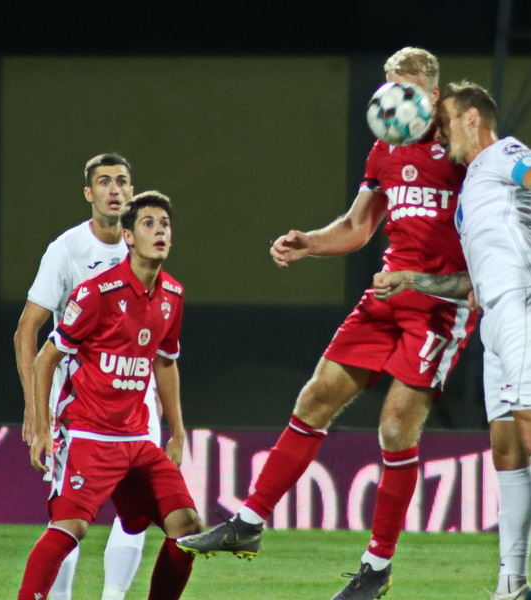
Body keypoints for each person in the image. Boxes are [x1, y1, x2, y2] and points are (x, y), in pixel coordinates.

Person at [176, 47, 477, 600]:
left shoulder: (461, 145)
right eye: (388, 89)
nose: (394, 101)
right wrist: (310, 243)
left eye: (407, 90)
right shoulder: (385, 148)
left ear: (433, 95)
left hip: (440, 305)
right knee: (315, 397)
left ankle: (376, 568)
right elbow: (358, 226)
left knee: (395, 428)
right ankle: (248, 522)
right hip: (386, 295)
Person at [371, 81, 531, 600]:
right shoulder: (471, 192)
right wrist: (410, 280)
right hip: (497, 317)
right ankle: (511, 583)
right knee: (507, 450)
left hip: (528, 304)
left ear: (472, 118)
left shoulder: (502, 153)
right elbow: (470, 287)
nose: (439, 132)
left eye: (445, 121)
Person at [18, 192, 203, 600]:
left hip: (138, 438)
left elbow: (165, 362)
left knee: (188, 528)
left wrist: (177, 432)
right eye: (149, 224)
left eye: (165, 225)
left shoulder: (173, 294)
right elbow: (46, 358)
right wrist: (43, 427)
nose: (160, 231)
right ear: (128, 237)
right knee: (70, 528)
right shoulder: (97, 293)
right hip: (89, 433)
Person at [13, 153, 158, 600]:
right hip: (79, 405)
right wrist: (35, 409)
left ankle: (114, 597)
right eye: (104, 181)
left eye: (122, 181)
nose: (115, 189)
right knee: (68, 516)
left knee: (136, 514)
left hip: (136, 399)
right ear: (89, 193)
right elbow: (27, 330)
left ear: (132, 192)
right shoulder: (67, 250)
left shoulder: (146, 247)